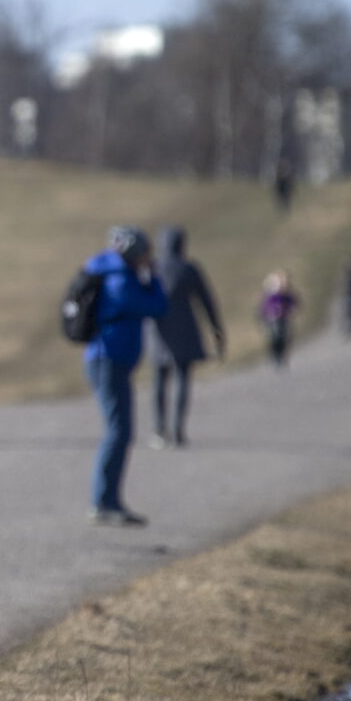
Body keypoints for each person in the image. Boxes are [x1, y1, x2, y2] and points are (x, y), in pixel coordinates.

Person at [79, 226, 167, 527]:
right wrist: (153, 278)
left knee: (119, 431)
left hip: (111, 360)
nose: (148, 257)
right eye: (145, 252)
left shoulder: (114, 274)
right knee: (119, 431)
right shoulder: (120, 281)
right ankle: (104, 502)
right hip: (108, 360)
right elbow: (157, 306)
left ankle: (107, 500)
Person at [149, 226, 224, 449]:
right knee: (182, 379)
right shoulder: (189, 268)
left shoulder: (153, 268)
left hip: (157, 331)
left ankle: (159, 429)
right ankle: (178, 430)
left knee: (160, 380)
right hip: (185, 331)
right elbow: (206, 300)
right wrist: (217, 330)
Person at [258, 272, 301, 368]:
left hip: (285, 318)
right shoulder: (271, 296)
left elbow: (295, 303)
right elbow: (264, 307)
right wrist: (266, 316)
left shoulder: (287, 295)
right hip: (273, 319)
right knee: (275, 337)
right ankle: (275, 356)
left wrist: (292, 310)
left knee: (285, 337)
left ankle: (282, 356)